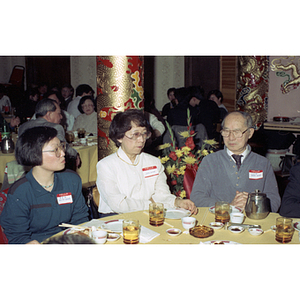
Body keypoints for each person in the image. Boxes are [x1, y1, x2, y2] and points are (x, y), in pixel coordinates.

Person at [96, 109, 198, 216]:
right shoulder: (106, 166)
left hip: (151, 213)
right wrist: (151, 204)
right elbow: (119, 205)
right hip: (117, 217)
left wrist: (177, 202)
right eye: (135, 134)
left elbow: (162, 195)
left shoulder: (153, 162)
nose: (141, 140)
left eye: (144, 134)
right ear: (119, 137)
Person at [0, 127, 89, 244]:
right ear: (35, 154)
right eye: (55, 150)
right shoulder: (20, 191)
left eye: (61, 146)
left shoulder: (72, 180)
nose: (63, 153)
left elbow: (80, 219)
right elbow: (16, 235)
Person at [190, 111, 281, 212]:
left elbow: (274, 201)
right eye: (226, 131)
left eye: (237, 132)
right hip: (219, 220)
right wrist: (228, 207)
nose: (231, 138)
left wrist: (253, 205)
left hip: (253, 222)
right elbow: (197, 198)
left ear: (250, 133)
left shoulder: (263, 163)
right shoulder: (210, 161)